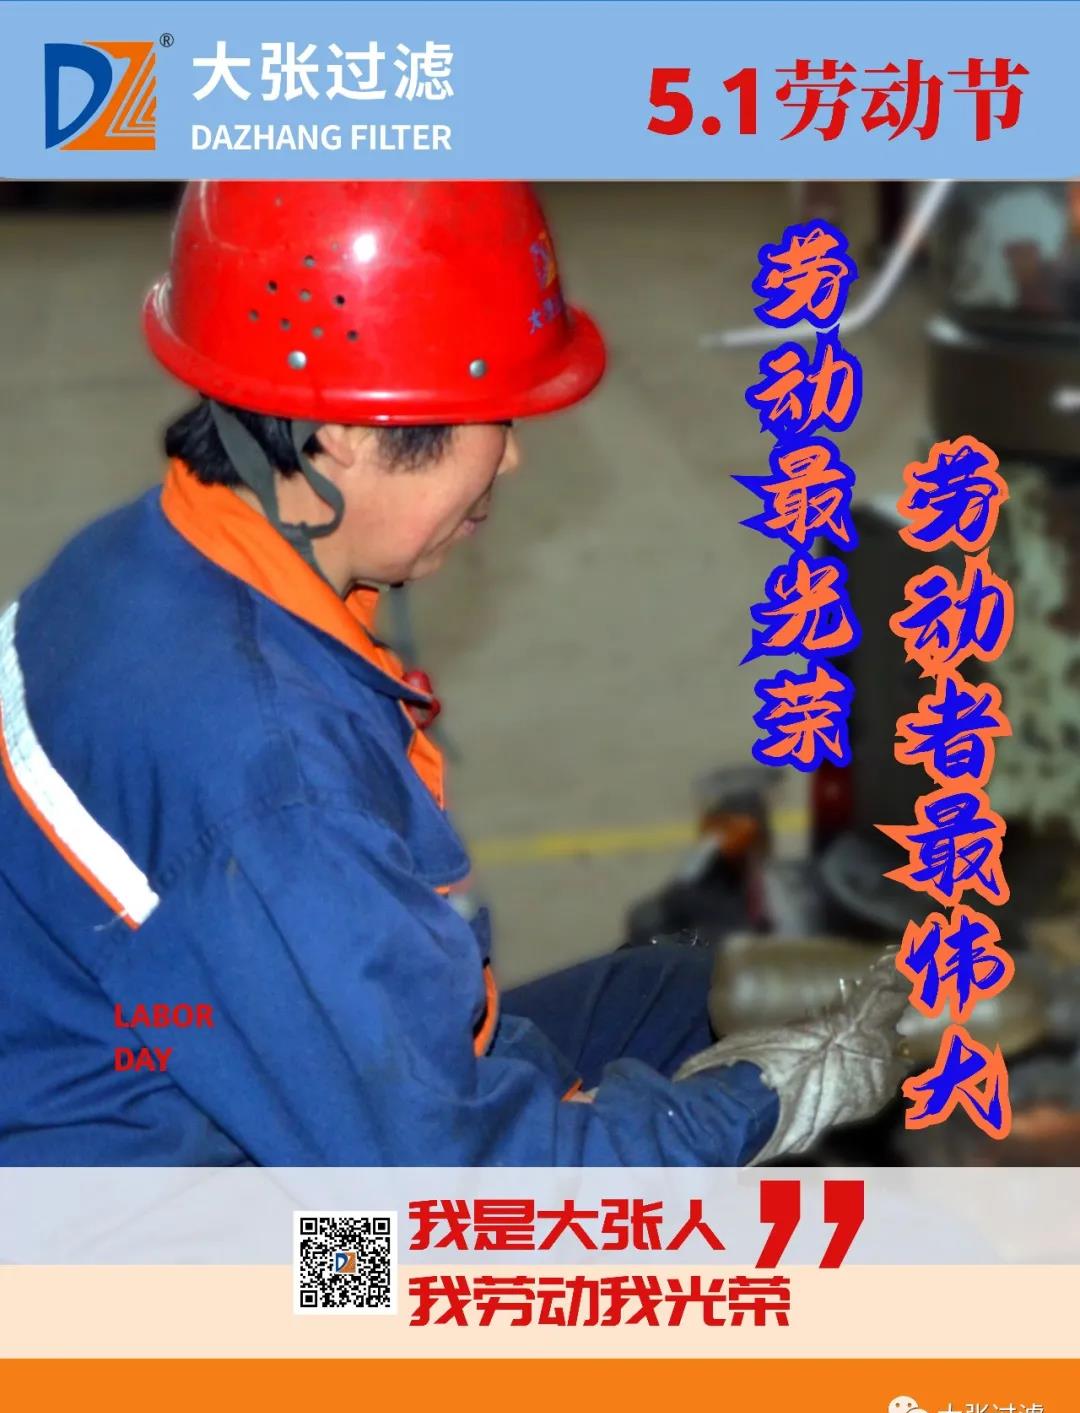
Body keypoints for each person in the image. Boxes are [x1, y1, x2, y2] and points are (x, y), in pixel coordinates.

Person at [0, 181, 904, 1165]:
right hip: (175, 1223)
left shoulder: (140, 563)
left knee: (683, 996)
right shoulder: (272, 780)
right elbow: (453, 1191)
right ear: (344, 431)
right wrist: (754, 1109)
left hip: (201, 1074)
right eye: (491, 416)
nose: (510, 460)